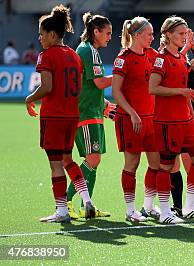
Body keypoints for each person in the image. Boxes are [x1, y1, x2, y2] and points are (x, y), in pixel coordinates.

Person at [26, 4, 96, 222]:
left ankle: (62, 210)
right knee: (68, 159)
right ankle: (86, 198)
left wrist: (29, 99)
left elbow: (47, 87)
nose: (40, 38)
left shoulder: (46, 55)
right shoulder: (74, 56)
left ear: (52, 34)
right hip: (71, 116)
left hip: (54, 116)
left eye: (42, 34)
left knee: (56, 164)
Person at [148, 16, 194, 224]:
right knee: (167, 165)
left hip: (186, 120)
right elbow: (153, 88)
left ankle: (189, 206)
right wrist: (180, 91)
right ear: (169, 34)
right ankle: (164, 212)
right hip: (168, 121)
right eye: (181, 33)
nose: (184, 37)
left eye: (186, 33)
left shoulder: (181, 58)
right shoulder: (161, 58)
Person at [66, 12, 114, 219]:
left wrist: (102, 103)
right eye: (108, 33)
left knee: (94, 159)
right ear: (96, 31)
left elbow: (87, 84)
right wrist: (122, 74)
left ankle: (88, 206)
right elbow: (99, 82)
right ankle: (66, 201)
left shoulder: (89, 50)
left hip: (92, 111)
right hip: (85, 113)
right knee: (92, 158)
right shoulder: (88, 51)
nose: (110, 37)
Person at [113, 16, 160, 223]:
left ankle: (148, 206)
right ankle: (131, 209)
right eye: (149, 34)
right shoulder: (123, 58)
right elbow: (116, 91)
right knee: (132, 164)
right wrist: (132, 112)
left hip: (152, 119)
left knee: (156, 163)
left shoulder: (153, 54)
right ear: (138, 35)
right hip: (130, 120)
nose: (152, 37)